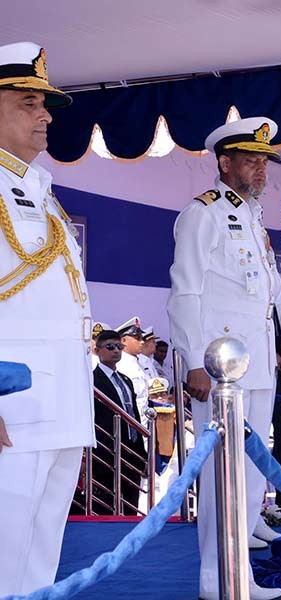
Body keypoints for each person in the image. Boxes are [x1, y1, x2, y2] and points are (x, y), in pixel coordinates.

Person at [167, 116, 281, 600]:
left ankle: (237, 567)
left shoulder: (251, 214)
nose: (261, 169)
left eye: (264, 161)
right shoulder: (203, 214)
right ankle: (218, 577)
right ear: (224, 163)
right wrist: (194, 361)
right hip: (219, 370)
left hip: (255, 362)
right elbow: (185, 293)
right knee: (224, 475)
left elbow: (267, 290)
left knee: (251, 469)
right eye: (251, 160)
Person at [0, 42, 94, 596]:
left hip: (59, 402)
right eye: (29, 102)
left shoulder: (41, 189)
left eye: (46, 105)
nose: (45, 116)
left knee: (38, 559)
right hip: (13, 405)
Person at [92, 330, 148, 515]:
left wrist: (142, 453)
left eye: (119, 347)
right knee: (106, 507)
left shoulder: (126, 380)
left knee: (131, 505)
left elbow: (134, 417)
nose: (115, 351)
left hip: (131, 451)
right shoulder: (92, 380)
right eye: (110, 347)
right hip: (106, 452)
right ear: (97, 349)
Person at [115, 317, 151, 428]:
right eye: (137, 338)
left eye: (142, 338)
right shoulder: (120, 364)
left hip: (143, 421)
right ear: (123, 341)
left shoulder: (138, 363)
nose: (142, 342)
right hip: (130, 424)